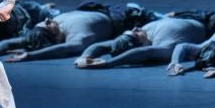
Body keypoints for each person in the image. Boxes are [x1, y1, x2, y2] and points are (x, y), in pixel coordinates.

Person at [74, 16, 207, 69]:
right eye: (135, 34)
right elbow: (100, 46)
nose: (136, 29)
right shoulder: (156, 39)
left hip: (202, 21)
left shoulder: (165, 44)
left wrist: (108, 63)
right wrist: (85, 56)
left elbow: (144, 52)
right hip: (182, 19)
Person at [0, 10, 113, 62]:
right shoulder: (61, 29)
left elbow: (62, 49)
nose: (47, 20)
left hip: (109, 16)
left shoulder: (78, 36)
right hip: (93, 13)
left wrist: (30, 55)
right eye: (47, 24)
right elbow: (7, 43)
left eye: (47, 22)